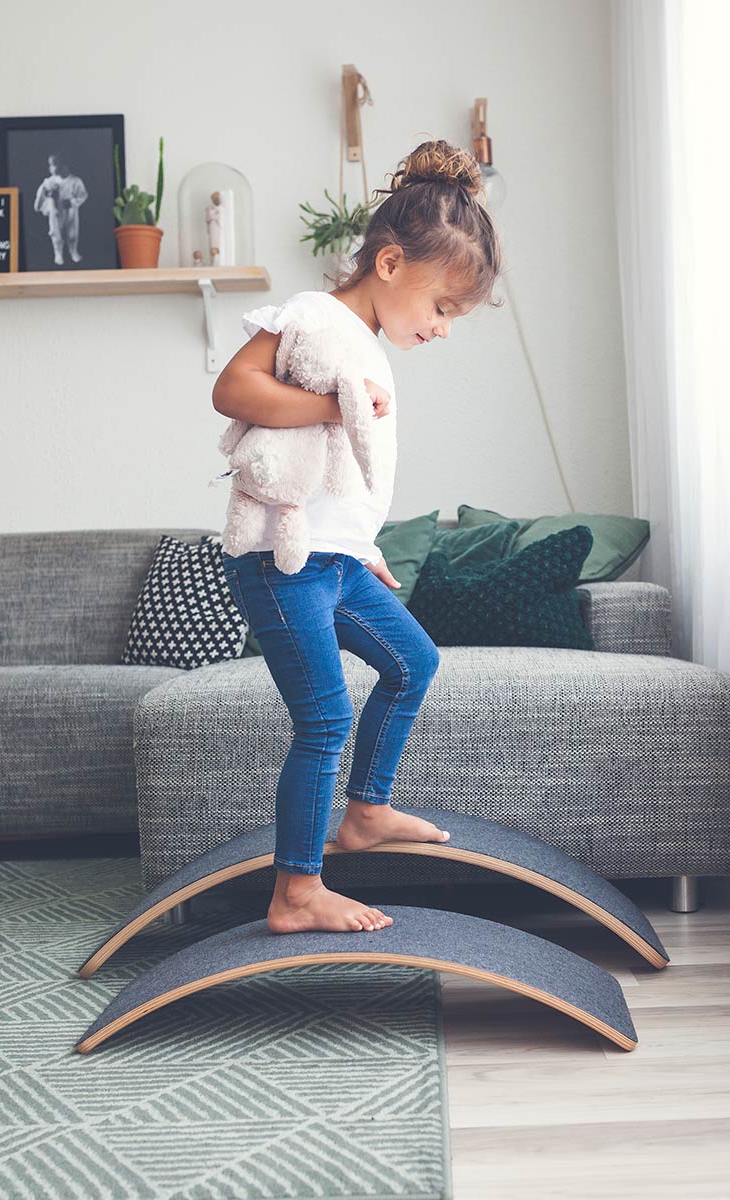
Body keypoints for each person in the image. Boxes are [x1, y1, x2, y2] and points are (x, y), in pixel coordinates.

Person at [211, 139, 503, 936]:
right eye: (442, 308)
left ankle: (366, 811)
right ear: (388, 264)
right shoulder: (313, 315)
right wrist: (335, 409)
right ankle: (296, 892)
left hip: (337, 560)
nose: (443, 329)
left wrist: (363, 540)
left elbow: (343, 472)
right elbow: (233, 389)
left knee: (414, 662)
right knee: (325, 721)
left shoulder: (367, 345)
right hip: (282, 564)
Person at [33, 154, 88, 266]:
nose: (53, 168)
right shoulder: (49, 182)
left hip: (70, 212)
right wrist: (46, 194)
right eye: (51, 165)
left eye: (56, 164)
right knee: (55, 233)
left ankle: (73, 251)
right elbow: (39, 198)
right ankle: (58, 253)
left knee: (72, 233)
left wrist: (72, 202)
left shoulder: (75, 181)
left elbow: (83, 195)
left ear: (65, 165)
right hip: (55, 212)